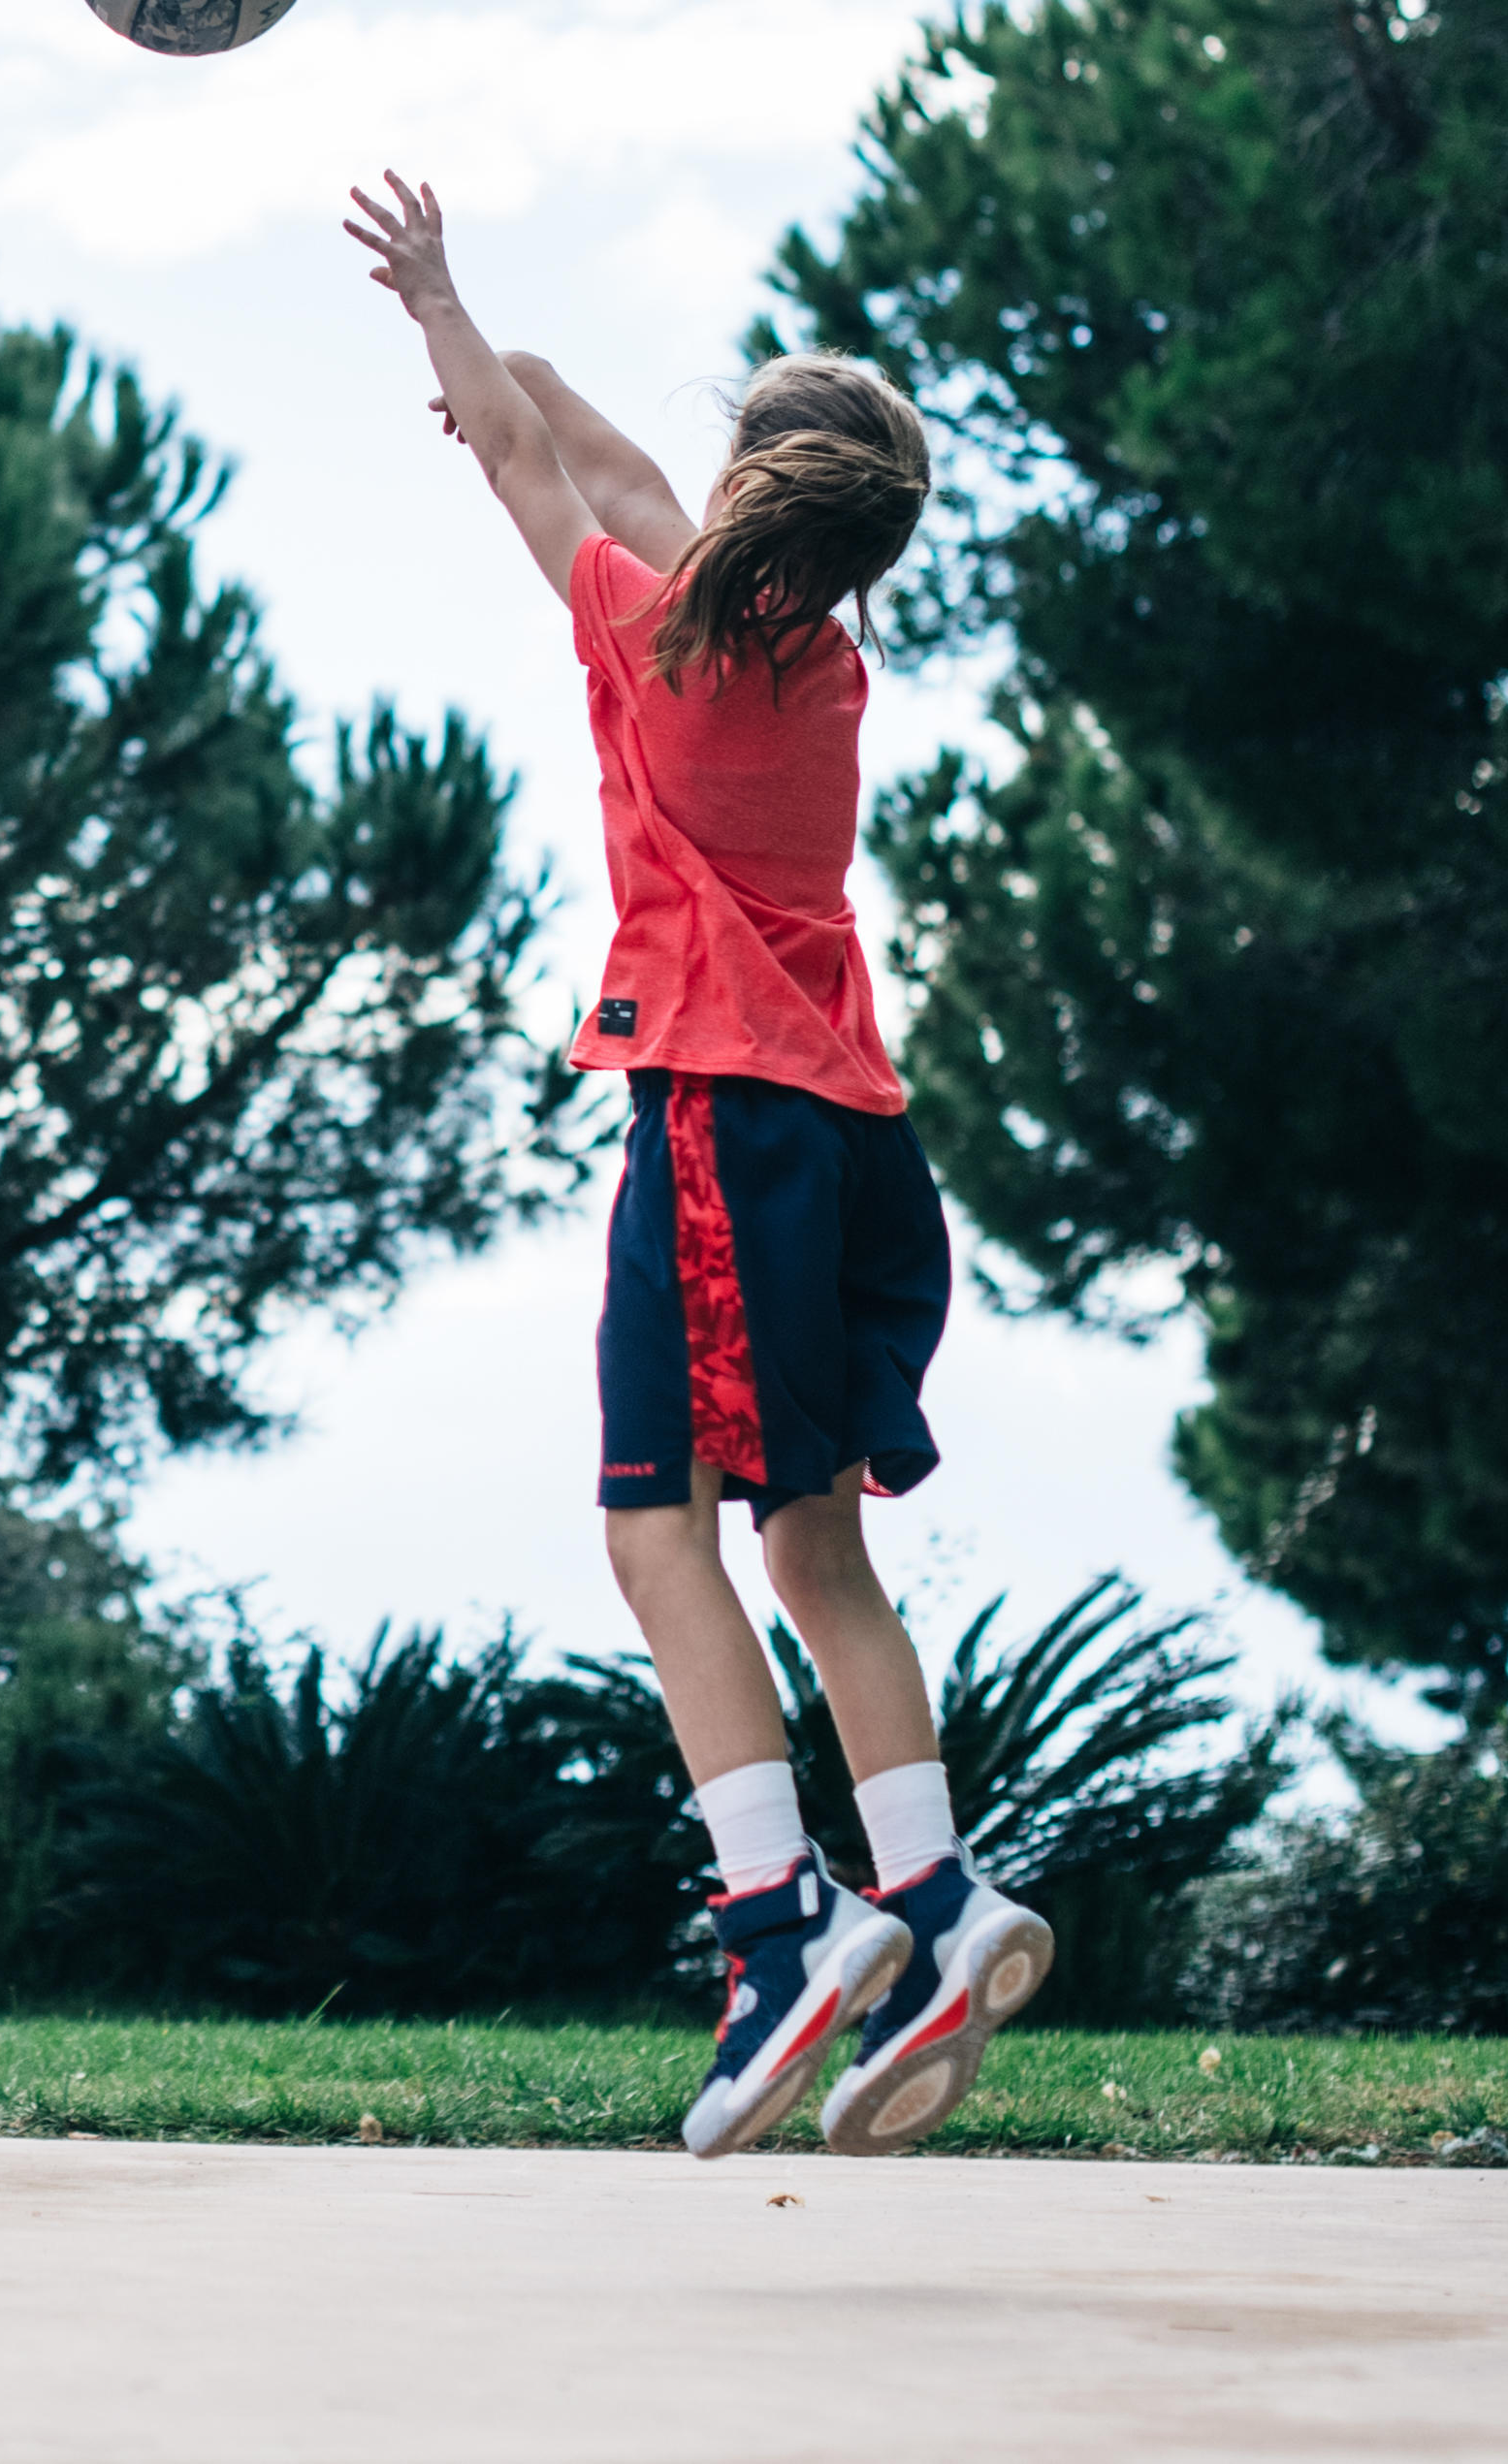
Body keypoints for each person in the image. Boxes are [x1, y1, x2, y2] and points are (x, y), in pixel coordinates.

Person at [340, 169, 1055, 2162]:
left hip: (723, 1125)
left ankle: (780, 1929)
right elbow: (618, 476)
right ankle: (925, 1890)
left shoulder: (644, 649)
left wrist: (442, 310)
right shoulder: (824, 673)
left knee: (654, 1533)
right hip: (848, 1134)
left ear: (752, 494)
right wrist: (531, 367)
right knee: (812, 1545)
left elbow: (537, 478)